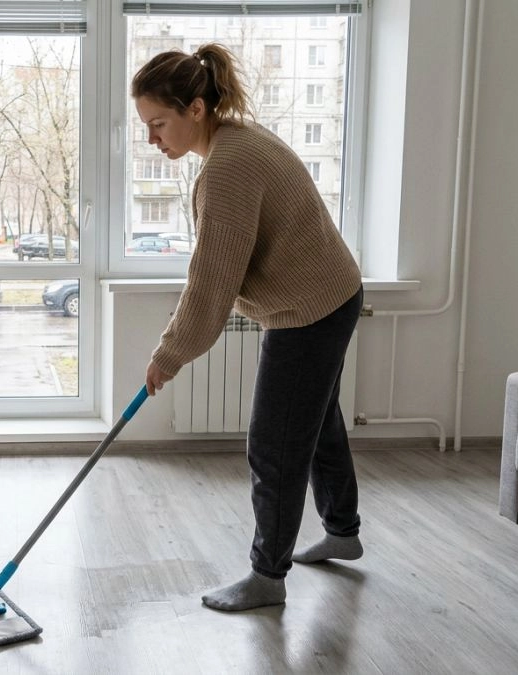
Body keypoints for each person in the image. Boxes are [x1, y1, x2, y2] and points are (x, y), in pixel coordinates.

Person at [133, 43, 365, 611]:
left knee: (276, 444)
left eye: (158, 123)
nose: (152, 139)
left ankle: (267, 577)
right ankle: (342, 530)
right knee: (316, 423)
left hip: (310, 309)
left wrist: (169, 354)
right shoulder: (236, 142)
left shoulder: (230, 167)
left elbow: (211, 278)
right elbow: (220, 273)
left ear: (195, 108)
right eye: (146, 126)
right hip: (327, 296)